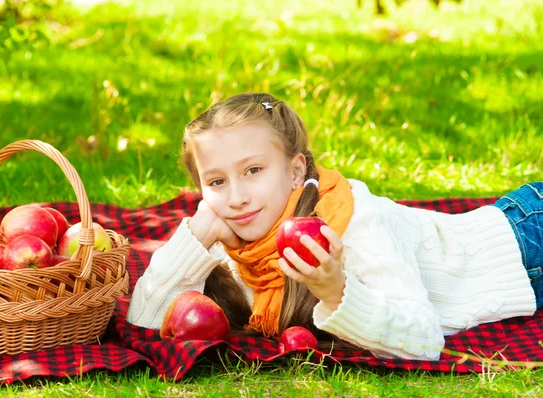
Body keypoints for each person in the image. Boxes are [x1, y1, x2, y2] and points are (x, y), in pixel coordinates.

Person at [127, 92, 541, 361]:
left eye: (253, 170)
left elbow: (423, 340)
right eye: (216, 181)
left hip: (525, 241)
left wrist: (335, 290)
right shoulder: (233, 236)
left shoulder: (353, 223)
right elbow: (142, 321)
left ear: (295, 172)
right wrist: (195, 237)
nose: (236, 197)